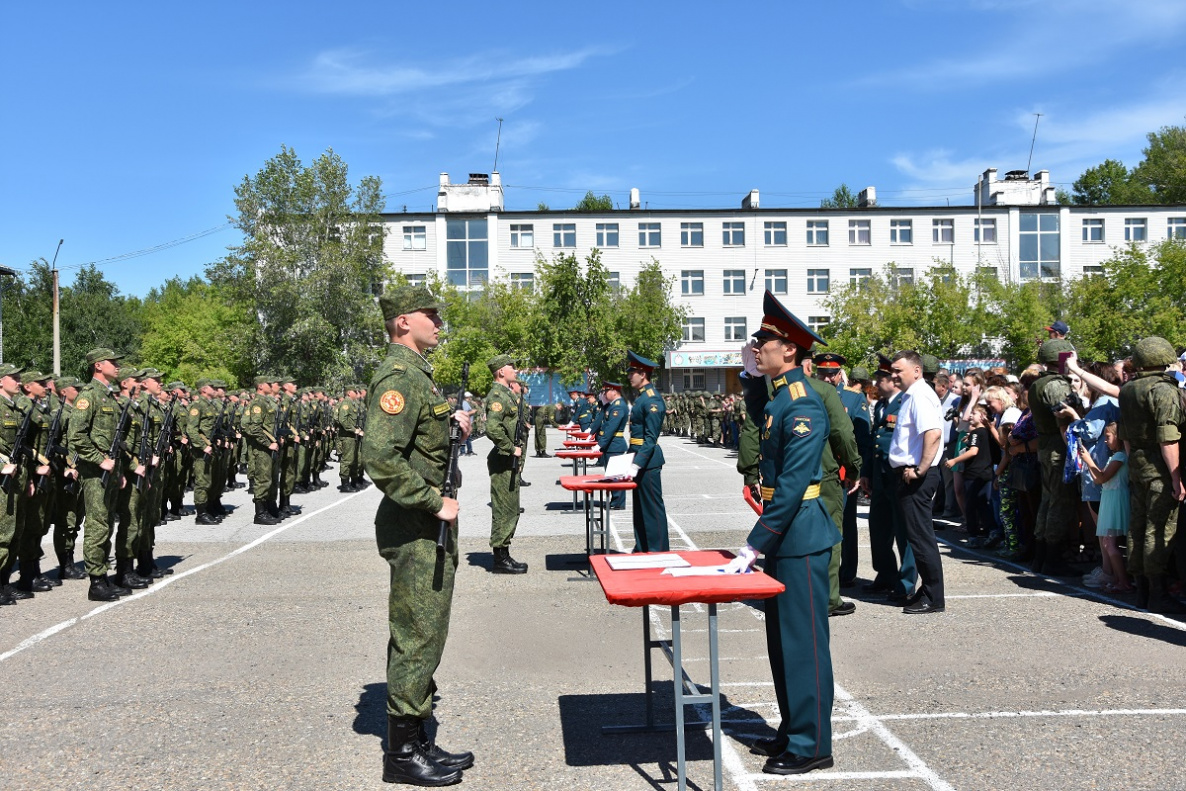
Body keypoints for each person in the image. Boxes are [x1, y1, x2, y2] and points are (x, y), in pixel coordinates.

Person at [359, 285, 473, 786]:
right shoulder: (398, 375)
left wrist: (459, 427)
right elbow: (380, 459)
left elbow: (421, 443)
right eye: (431, 315)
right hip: (416, 523)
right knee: (416, 632)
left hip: (428, 522)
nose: (438, 322)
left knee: (427, 630)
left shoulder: (419, 375)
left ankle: (419, 736)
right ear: (403, 321)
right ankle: (402, 755)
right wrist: (434, 502)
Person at [725, 290, 836, 776]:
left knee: (804, 644)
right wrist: (750, 379)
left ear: (789, 349)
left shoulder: (803, 404)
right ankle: (793, 729)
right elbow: (759, 426)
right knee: (782, 642)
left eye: (763, 341)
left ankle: (813, 744)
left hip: (800, 535)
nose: (757, 347)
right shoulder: (779, 398)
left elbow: (792, 487)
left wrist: (755, 543)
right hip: (787, 537)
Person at [1117, 336, 1186, 613]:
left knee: (1138, 527)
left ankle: (1142, 591)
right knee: (1159, 530)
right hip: (1159, 466)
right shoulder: (1164, 390)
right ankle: (1157, 593)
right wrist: (1176, 477)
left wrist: (1135, 460)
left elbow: (1125, 436)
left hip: (1138, 464)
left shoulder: (1128, 389)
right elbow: (1168, 439)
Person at [888, 350, 946, 614]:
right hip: (910, 474)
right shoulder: (912, 395)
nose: (893, 375)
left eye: (898, 370)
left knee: (921, 538)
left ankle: (933, 598)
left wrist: (920, 469)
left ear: (916, 370)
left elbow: (933, 434)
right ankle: (928, 590)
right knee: (917, 536)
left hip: (917, 476)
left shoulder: (920, 395)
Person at [859, 358, 917, 601]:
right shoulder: (882, 405)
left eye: (881, 379)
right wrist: (867, 473)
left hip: (898, 476)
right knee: (879, 529)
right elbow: (875, 442)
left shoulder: (904, 402)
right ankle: (885, 575)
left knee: (904, 532)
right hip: (880, 477)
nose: (877, 384)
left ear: (892, 381)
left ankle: (905, 584)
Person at [1028, 339, 1079, 576]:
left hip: (1045, 446)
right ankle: (1052, 558)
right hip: (1058, 447)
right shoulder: (1057, 385)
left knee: (1048, 501)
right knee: (1059, 502)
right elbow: (1064, 421)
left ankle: (1040, 556)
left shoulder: (1039, 384)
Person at [485, 354, 528, 574]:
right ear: (501, 371)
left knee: (511, 509)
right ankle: (500, 559)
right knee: (504, 509)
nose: (515, 370)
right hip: (503, 459)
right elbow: (492, 428)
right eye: (511, 366)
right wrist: (511, 448)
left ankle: (504, 553)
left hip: (508, 459)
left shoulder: (506, 394)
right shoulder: (497, 395)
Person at [1078, 423, 1132, 593]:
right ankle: (1117, 578)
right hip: (1110, 499)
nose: (1106, 441)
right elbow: (1098, 478)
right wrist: (1089, 465)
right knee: (1109, 541)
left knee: (1109, 542)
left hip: (1116, 501)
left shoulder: (1120, 457)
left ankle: (1123, 581)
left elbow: (1101, 478)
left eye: (1108, 437)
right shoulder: (1114, 457)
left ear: (1118, 437)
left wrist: (1088, 460)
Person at [624, 352, 668, 552]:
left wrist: (637, 462)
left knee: (652, 508)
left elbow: (651, 438)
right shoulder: (642, 397)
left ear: (643, 374)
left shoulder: (652, 400)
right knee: (640, 509)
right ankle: (642, 547)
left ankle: (658, 549)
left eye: (632, 372)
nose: (629, 376)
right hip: (638, 458)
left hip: (648, 461)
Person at [596, 381, 628, 510]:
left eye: (606, 391)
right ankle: (616, 500)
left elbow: (611, 428)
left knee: (616, 475)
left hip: (615, 445)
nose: (604, 394)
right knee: (612, 474)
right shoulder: (612, 405)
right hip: (612, 445)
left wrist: (600, 444)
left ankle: (618, 502)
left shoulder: (618, 406)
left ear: (614, 391)